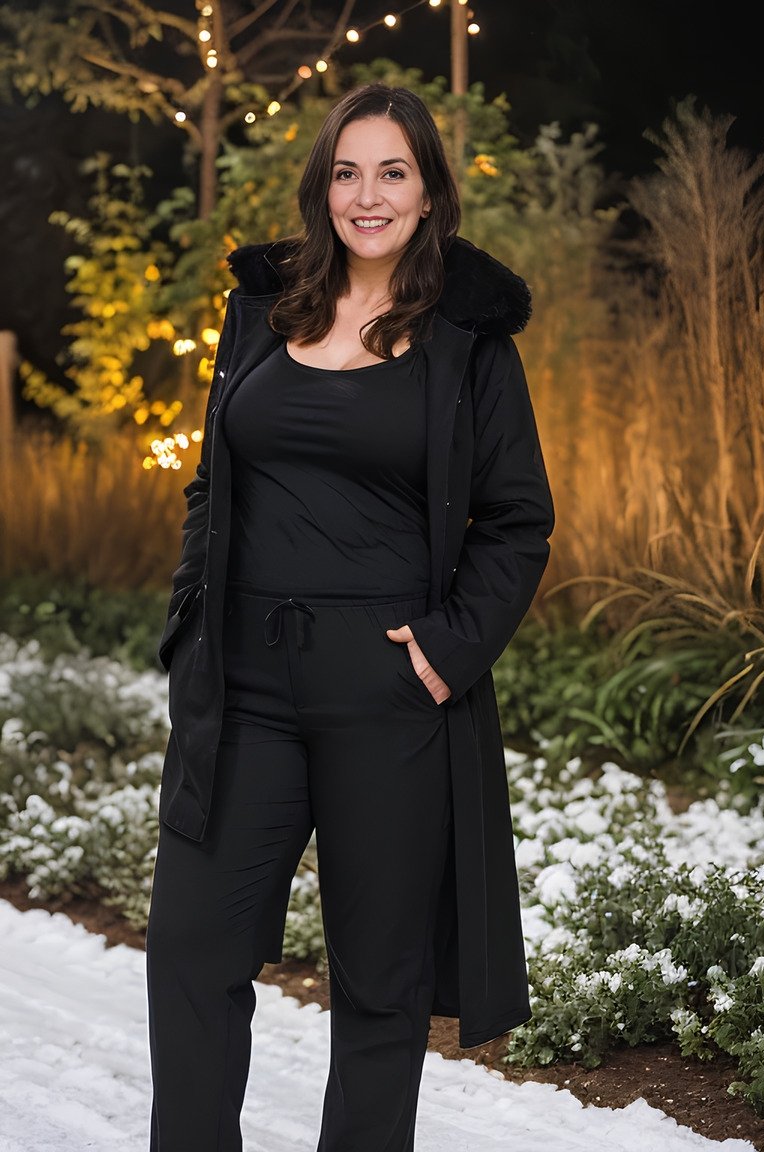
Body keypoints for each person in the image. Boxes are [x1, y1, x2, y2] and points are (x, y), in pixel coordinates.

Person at [145, 82, 554, 1152]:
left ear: (428, 193)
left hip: (387, 690)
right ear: (322, 186)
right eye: (346, 172)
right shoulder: (260, 310)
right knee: (191, 952)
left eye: (392, 172)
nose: (367, 196)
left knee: (380, 983)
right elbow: (213, 483)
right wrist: (193, 620)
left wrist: (447, 652)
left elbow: (518, 520)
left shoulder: (469, 341)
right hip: (244, 687)